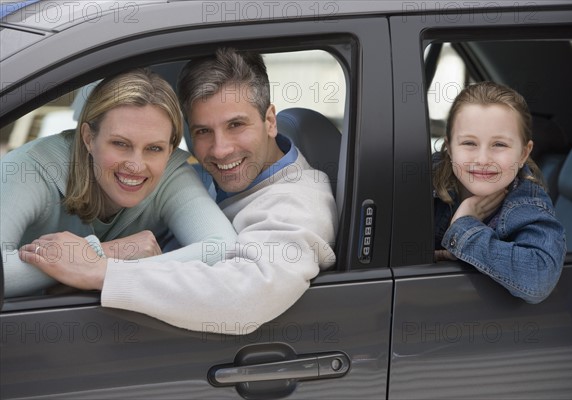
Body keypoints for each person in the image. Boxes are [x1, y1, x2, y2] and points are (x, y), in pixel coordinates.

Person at [19, 48, 338, 334]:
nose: (220, 149)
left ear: (270, 120)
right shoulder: (202, 177)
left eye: (236, 125)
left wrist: (103, 272)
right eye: (202, 131)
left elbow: (244, 297)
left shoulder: (299, 201)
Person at [2, 68, 237, 298]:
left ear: (169, 149)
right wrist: (108, 252)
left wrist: (101, 271)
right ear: (88, 138)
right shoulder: (29, 169)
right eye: (120, 144)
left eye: (154, 148)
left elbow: (223, 249)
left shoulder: (170, 174)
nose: (136, 165)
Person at [433, 81, 566, 303]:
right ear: (449, 147)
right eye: (469, 143)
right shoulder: (428, 175)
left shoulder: (528, 201)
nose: (483, 159)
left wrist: (465, 226)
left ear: (523, 153)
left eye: (499, 145)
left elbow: (538, 277)